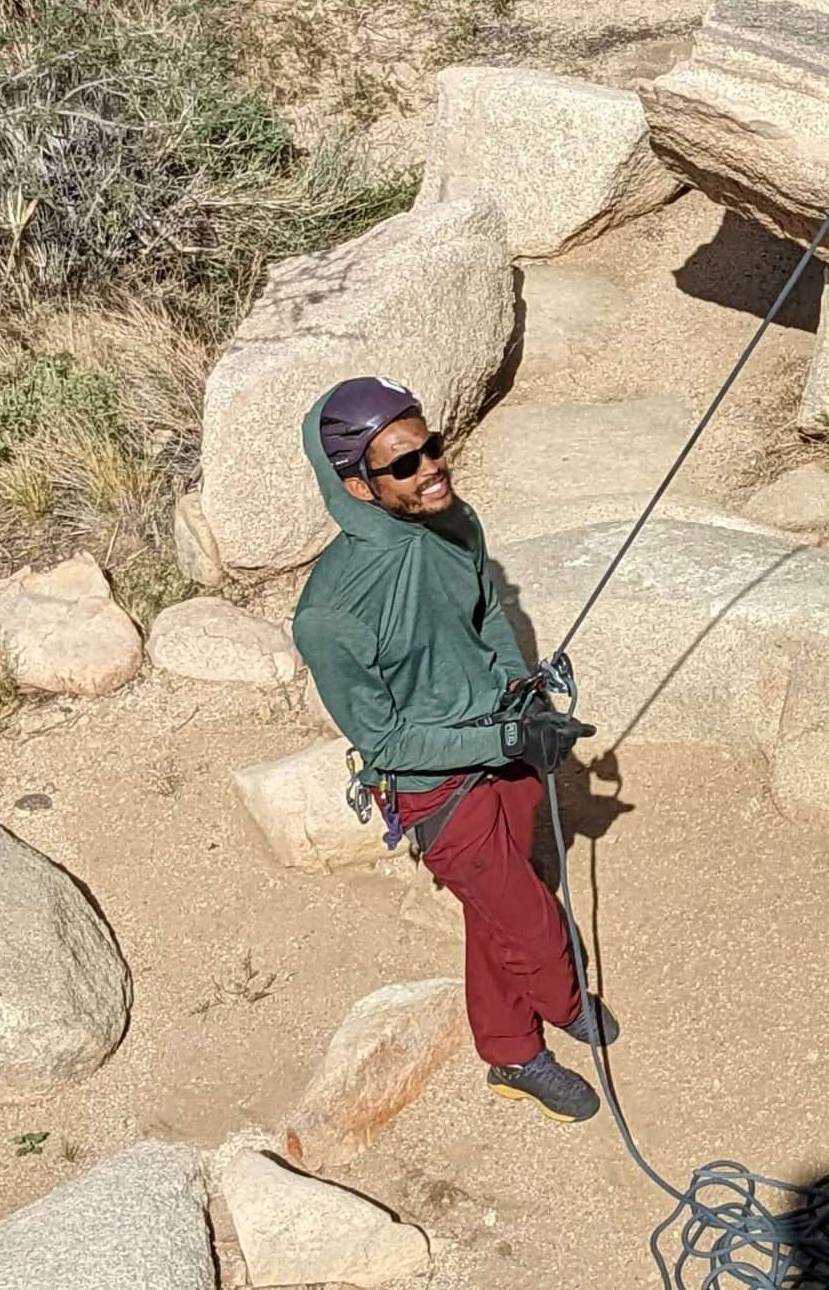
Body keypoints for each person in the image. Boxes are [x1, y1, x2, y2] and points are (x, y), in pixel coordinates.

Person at [290, 376, 610, 1119]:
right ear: (357, 486)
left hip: (504, 746)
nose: (432, 468)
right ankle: (523, 1046)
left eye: (430, 447)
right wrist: (505, 736)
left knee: (496, 911)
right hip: (433, 784)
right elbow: (383, 737)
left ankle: (526, 1028)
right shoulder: (332, 614)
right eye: (404, 464)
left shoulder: (454, 522)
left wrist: (516, 689)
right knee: (528, 919)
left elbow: (486, 609)